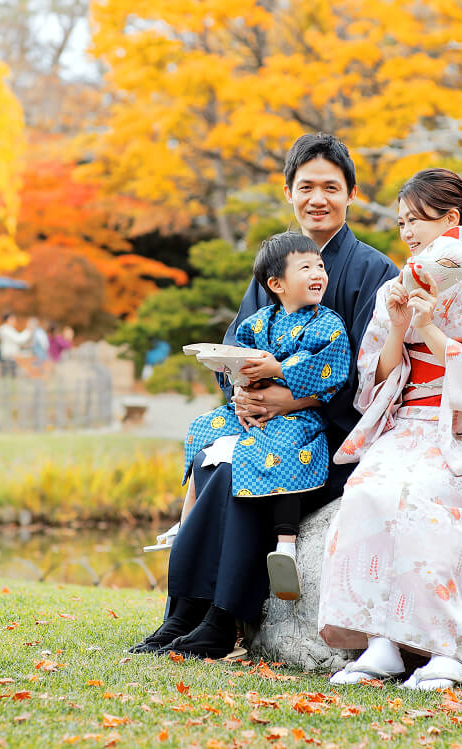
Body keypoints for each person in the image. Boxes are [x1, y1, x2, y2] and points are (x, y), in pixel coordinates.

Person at [129, 133, 398, 659]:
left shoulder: (373, 272)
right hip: (267, 423)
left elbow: (369, 372)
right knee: (213, 456)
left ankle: (223, 617)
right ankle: (183, 610)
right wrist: (247, 396)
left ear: (352, 195)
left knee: (244, 468)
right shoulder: (278, 262)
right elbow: (237, 344)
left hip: (329, 435)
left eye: (330, 187)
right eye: (306, 187)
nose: (317, 198)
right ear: (288, 192)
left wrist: (289, 402)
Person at [316, 168, 462, 691]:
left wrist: (429, 329)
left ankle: (446, 652)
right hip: (410, 424)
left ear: (452, 220)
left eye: (417, 220)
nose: (408, 233)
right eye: (401, 223)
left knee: (427, 498)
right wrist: (398, 326)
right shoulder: (397, 285)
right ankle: (381, 645)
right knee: (367, 491)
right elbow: (377, 376)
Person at [180, 232, 351, 602]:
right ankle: (185, 521)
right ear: (276, 284)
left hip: (297, 415)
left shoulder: (328, 324)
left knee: (285, 446)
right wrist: (242, 393)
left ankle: (285, 545)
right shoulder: (257, 323)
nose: (318, 272)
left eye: (320, 265)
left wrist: (278, 366)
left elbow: (331, 371)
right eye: (305, 266)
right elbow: (236, 363)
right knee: (202, 429)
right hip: (253, 409)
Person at [0, 313, 31, 377]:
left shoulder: (7, 329)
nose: (14, 320)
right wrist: (28, 330)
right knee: (9, 374)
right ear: (7, 319)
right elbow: (18, 339)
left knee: (9, 374)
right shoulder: (6, 329)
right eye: (12, 319)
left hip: (10, 355)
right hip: (9, 355)